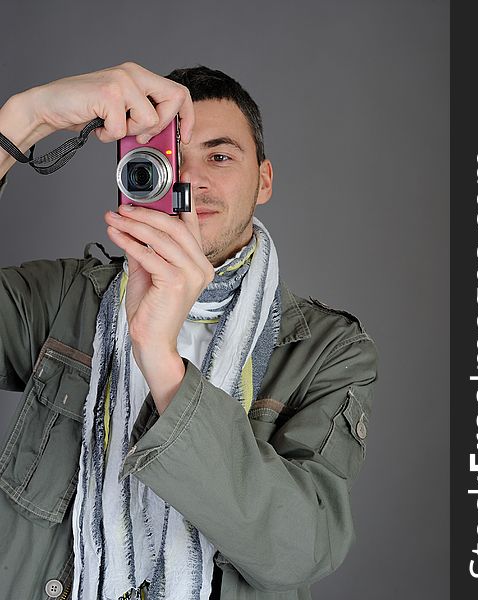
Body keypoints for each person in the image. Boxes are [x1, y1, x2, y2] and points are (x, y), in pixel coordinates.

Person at [0, 62, 378, 600]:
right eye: (168, 158)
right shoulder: (67, 300)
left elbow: (300, 548)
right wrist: (23, 120)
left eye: (219, 156)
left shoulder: (328, 352)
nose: (190, 180)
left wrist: (162, 362)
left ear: (264, 180)